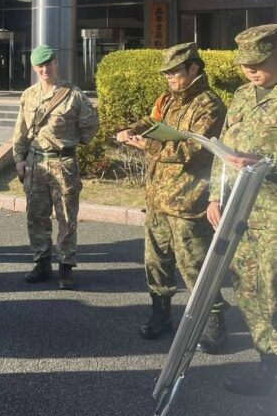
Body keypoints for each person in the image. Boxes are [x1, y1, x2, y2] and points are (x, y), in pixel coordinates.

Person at [117, 42, 227, 351]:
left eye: (175, 72)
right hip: (157, 198)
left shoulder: (209, 105)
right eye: (166, 74)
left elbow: (198, 149)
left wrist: (149, 145)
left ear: (193, 68)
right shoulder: (167, 100)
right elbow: (152, 122)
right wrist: (131, 130)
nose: (169, 78)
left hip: (187, 200)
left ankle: (214, 324)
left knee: (195, 265)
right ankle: (160, 316)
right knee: (156, 262)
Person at [207, 24, 277, 396]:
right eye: (245, 63)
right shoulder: (241, 95)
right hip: (241, 212)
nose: (250, 69)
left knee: (274, 292)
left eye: (258, 62)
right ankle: (268, 367)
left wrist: (266, 164)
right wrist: (214, 197)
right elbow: (224, 147)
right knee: (249, 290)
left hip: (273, 215)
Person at [13, 44, 99, 290]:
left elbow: (92, 124)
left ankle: (65, 267)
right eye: (40, 66)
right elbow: (20, 130)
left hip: (63, 163)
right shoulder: (28, 95)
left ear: (56, 63)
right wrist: (19, 159)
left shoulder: (73, 94)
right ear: (34, 68)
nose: (45, 69)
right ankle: (41, 262)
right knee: (36, 215)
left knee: (66, 218)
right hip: (36, 163)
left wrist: (74, 142)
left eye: (48, 64)